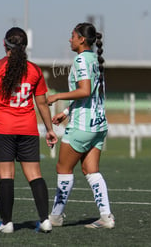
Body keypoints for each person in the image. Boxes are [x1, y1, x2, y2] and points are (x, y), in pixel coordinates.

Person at [0, 27, 58, 233]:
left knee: (6, 176)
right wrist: (50, 129)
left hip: (3, 128)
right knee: (35, 174)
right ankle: (45, 220)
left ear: (4, 44)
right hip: (28, 128)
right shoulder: (34, 70)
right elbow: (42, 104)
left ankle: (7, 223)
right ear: (25, 46)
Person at [47, 22, 114, 229]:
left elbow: (84, 90)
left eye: (72, 36)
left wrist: (57, 96)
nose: (70, 39)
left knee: (63, 168)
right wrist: (66, 112)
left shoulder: (81, 60)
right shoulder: (95, 59)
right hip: (99, 124)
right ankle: (106, 217)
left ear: (81, 39)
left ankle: (56, 217)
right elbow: (92, 92)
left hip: (82, 126)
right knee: (90, 169)